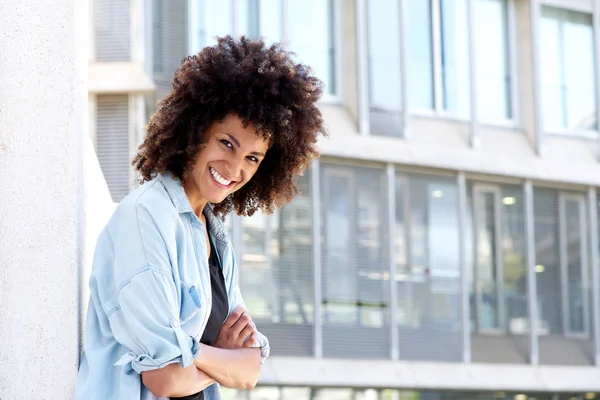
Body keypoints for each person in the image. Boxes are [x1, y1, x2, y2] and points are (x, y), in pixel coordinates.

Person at [75, 35, 326, 400]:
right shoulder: (146, 219)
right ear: (196, 129)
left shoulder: (216, 237)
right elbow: (166, 380)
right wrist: (223, 358)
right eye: (227, 143)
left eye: (253, 158)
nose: (236, 168)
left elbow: (251, 368)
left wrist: (204, 358)